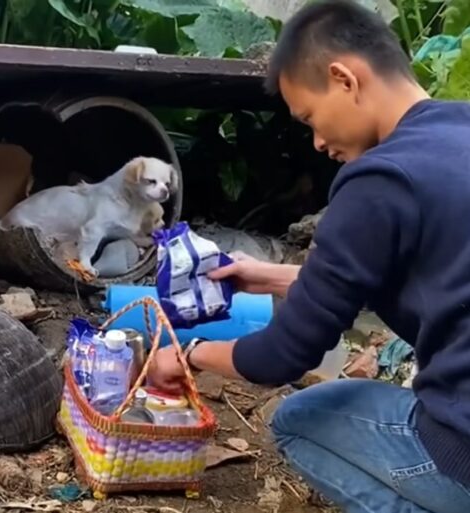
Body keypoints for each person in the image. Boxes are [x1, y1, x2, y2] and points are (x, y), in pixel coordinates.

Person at [146, 1, 470, 512]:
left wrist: (188, 355)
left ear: (344, 78)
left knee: (297, 420)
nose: (318, 141)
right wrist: (272, 276)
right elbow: (410, 275)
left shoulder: (380, 179)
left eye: (310, 117)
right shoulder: (458, 134)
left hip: (465, 455)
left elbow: (282, 357)